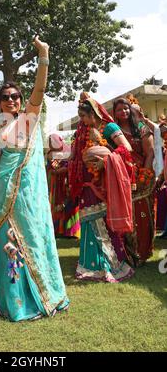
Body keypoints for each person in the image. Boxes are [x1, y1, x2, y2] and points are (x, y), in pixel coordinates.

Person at [0, 36, 69, 321]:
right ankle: (3, 298)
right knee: (3, 245)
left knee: (25, 241)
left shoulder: (27, 119)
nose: (11, 100)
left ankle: (31, 298)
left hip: (24, 197)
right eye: (5, 97)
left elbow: (39, 89)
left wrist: (44, 56)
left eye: (15, 96)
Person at [69, 96, 134, 282]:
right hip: (86, 184)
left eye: (84, 116)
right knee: (89, 221)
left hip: (105, 182)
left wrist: (106, 160)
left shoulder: (109, 128)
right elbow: (76, 156)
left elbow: (126, 149)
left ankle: (112, 263)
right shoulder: (82, 132)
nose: (82, 121)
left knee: (103, 221)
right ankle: (91, 264)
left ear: (94, 113)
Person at [113, 98, 155, 265]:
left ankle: (142, 252)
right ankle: (127, 254)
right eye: (119, 110)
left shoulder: (140, 128)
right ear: (114, 113)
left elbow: (150, 153)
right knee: (125, 214)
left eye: (126, 109)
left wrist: (143, 174)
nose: (123, 112)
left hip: (141, 178)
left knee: (142, 214)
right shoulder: (113, 131)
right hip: (122, 179)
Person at [46, 134, 80, 238]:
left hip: (67, 182)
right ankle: (57, 230)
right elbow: (53, 167)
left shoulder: (67, 151)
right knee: (57, 203)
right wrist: (59, 170)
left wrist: (63, 170)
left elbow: (71, 165)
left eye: (53, 142)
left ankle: (70, 230)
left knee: (68, 203)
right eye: (50, 143)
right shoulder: (50, 154)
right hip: (55, 183)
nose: (52, 144)